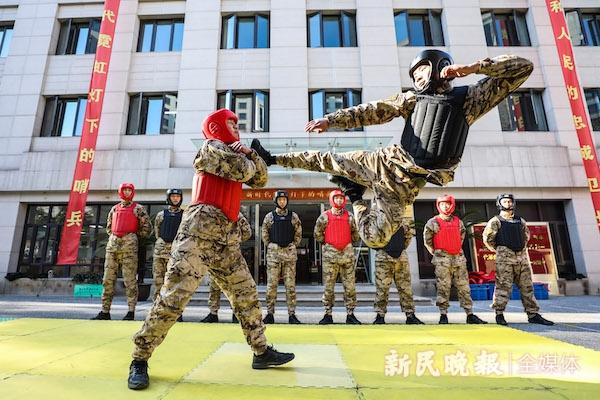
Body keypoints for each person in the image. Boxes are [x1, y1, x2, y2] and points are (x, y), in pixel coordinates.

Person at [251, 50, 533, 250]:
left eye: (423, 70)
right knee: (329, 161)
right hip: (385, 162)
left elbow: (524, 68)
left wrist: (473, 68)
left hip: (403, 186)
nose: (419, 78)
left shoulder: (470, 99)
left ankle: (354, 195)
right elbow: (373, 111)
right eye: (416, 75)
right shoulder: (411, 99)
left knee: (375, 238)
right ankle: (272, 157)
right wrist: (332, 120)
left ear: (439, 66)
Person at [127, 109, 294, 391]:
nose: (237, 128)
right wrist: (251, 157)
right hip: (198, 231)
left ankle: (261, 351)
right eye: (231, 122)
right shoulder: (211, 148)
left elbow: (261, 180)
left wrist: (251, 157)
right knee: (174, 297)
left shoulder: (235, 152)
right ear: (216, 127)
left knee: (246, 294)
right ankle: (139, 358)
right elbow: (244, 171)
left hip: (226, 235)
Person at [483, 194, 554, 326]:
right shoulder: (495, 221)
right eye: (505, 201)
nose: (508, 204)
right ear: (499, 203)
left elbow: (526, 236)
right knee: (503, 287)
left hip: (521, 259)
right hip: (504, 259)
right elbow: (488, 239)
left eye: (510, 201)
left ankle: (533, 314)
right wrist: (501, 250)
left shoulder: (520, 221)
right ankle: (499, 314)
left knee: (527, 287)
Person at [92, 183, 152, 321]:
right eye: (124, 190)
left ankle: (131, 311)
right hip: (112, 248)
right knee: (107, 280)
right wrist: (116, 237)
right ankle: (105, 311)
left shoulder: (138, 209)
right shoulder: (114, 209)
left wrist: (132, 237)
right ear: (120, 192)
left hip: (129, 249)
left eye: (129, 190)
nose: (126, 192)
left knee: (130, 280)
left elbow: (146, 228)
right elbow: (109, 228)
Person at [423, 195, 486, 324]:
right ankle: (443, 314)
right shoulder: (432, 222)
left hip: (458, 259)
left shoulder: (458, 222)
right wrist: (438, 253)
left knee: (464, 287)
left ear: (451, 205)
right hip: (442, 260)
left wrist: (455, 248)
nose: (445, 206)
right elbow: (427, 241)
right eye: (442, 204)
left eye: (447, 204)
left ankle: (469, 314)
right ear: (438, 206)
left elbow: (461, 237)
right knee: (443, 287)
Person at [314, 189, 361, 324]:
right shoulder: (324, 216)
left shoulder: (350, 216)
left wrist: (347, 244)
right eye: (336, 198)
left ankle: (350, 314)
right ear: (332, 200)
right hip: (330, 257)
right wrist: (328, 244)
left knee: (350, 286)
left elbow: (356, 234)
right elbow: (317, 234)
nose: (339, 200)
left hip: (347, 256)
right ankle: (328, 314)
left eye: (341, 198)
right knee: (329, 286)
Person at [201, 211, 253, 324]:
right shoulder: (212, 213)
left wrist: (234, 241)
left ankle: (236, 313)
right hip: (215, 256)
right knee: (214, 287)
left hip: (231, 256)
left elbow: (247, 232)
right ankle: (213, 313)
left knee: (235, 286)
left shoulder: (237, 214)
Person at [261, 190, 302, 324]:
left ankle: (292, 314)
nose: (282, 202)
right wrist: (273, 247)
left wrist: (292, 246)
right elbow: (265, 234)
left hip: (289, 256)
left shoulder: (293, 216)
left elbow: (298, 234)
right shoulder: (269, 217)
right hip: (274, 256)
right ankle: (270, 314)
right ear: (276, 201)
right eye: (280, 200)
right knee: (271, 286)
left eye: (284, 200)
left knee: (290, 286)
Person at [373, 218, 424, 325]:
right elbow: (372, 237)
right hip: (383, 257)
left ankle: (410, 315)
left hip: (401, 258)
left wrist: (400, 248)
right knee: (382, 288)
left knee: (406, 288)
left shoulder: (404, 221)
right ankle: (380, 316)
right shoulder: (377, 219)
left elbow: (408, 237)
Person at [152, 189, 184, 321]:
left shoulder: (185, 214)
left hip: (177, 253)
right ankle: (157, 312)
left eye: (178, 196)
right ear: (168, 198)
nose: (175, 199)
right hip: (160, 253)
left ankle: (177, 313)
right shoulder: (161, 215)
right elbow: (157, 232)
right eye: (173, 196)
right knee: (159, 283)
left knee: (176, 284)